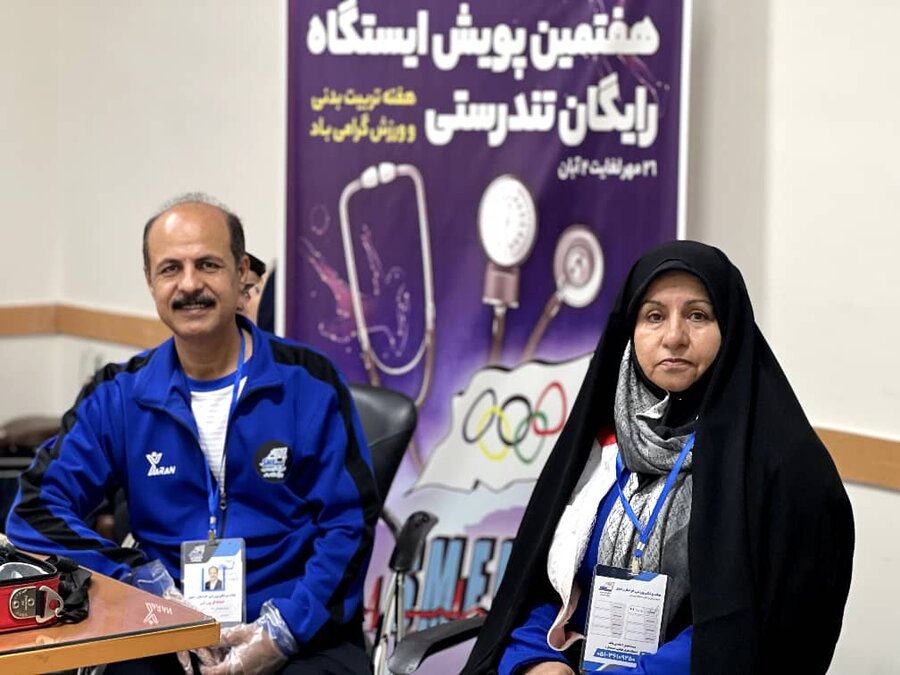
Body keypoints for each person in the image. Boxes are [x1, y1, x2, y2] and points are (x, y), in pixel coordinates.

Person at [6, 193, 379, 674]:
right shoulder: (119, 395)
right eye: (170, 269)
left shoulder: (310, 384)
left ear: (241, 273)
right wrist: (137, 582)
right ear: (150, 281)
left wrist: (283, 632)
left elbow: (348, 526)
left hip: (300, 637)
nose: (189, 284)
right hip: (163, 631)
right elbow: (36, 511)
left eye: (207, 264)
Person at [462, 241, 854, 674]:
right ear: (630, 330)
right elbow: (538, 585)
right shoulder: (600, 447)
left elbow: (758, 626)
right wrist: (537, 658)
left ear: (730, 328)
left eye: (698, 316)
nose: (674, 337)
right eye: (653, 316)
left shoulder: (784, 468)